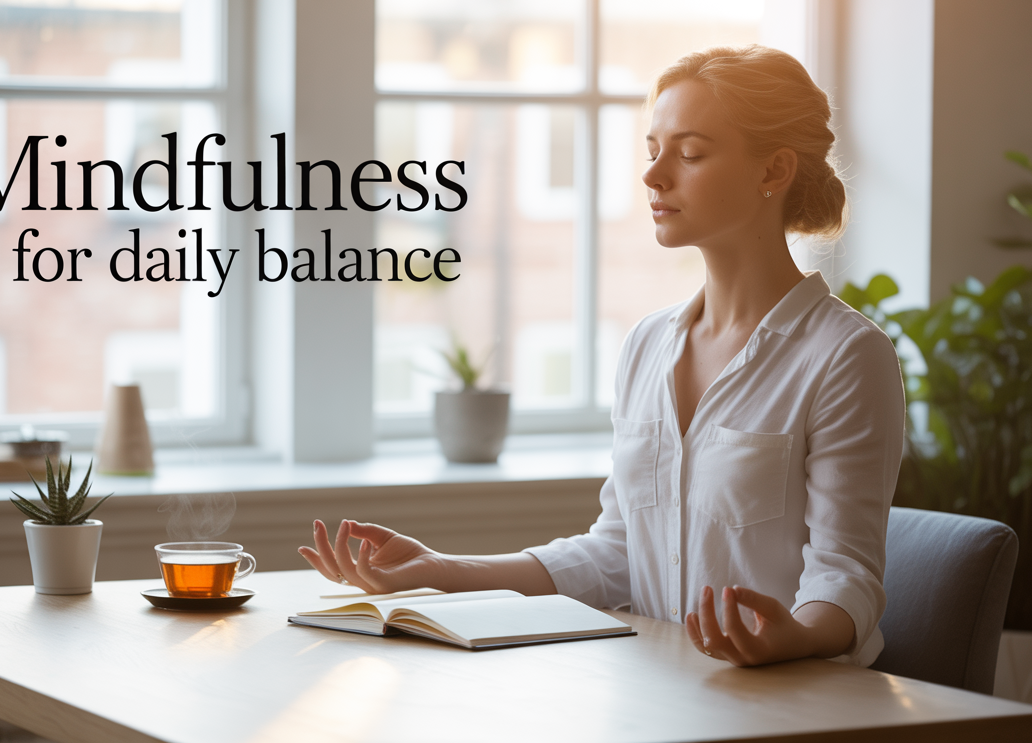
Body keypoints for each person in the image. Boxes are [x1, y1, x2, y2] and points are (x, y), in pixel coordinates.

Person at [299, 45, 905, 669]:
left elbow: (844, 574)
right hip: (661, 693)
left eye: (690, 153)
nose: (654, 175)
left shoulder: (845, 357)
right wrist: (442, 569)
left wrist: (797, 637)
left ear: (773, 170)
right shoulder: (647, 345)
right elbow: (617, 553)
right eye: (653, 151)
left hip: (798, 704)